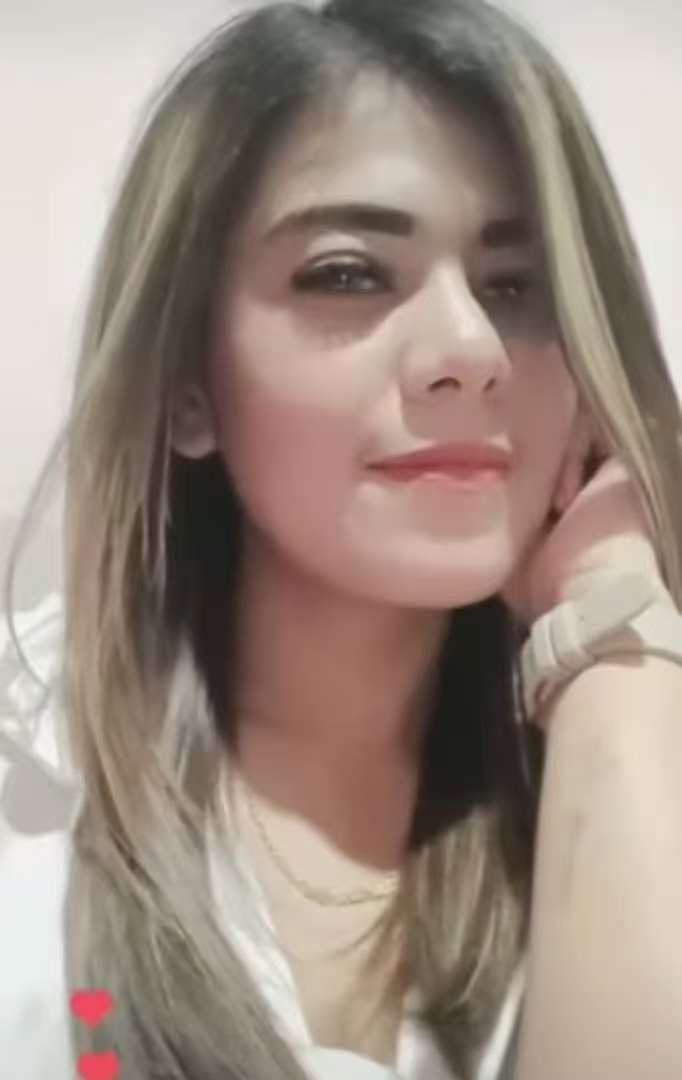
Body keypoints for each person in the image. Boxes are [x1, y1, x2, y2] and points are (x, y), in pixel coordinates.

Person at [2, 1, 682, 1078]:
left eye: (516, 286)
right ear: (186, 384)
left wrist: (611, 628)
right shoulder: (31, 796)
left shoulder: (644, 761)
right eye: (349, 274)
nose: (470, 348)